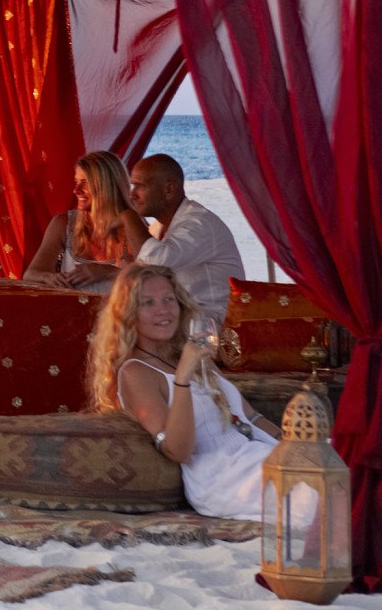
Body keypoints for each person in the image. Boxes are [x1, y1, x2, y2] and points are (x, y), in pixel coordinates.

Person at [88, 262, 280, 519]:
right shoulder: (136, 372)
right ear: (129, 313)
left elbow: (251, 417)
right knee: (326, 487)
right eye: (148, 303)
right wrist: (183, 377)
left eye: (169, 299)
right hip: (222, 476)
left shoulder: (192, 356)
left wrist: (294, 443)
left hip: (256, 453)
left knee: (337, 460)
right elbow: (178, 450)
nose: (163, 310)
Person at [129, 154, 243, 325]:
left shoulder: (200, 224)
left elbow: (156, 263)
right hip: (181, 323)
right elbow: (143, 274)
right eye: (133, 187)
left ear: (169, 189)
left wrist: (128, 216)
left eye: (140, 187)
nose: (132, 195)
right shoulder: (156, 228)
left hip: (214, 329)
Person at [22, 151, 149, 292]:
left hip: (118, 313)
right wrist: (49, 278)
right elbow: (30, 275)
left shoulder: (134, 226)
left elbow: (152, 279)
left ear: (107, 185)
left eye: (85, 183)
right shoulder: (63, 223)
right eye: (76, 182)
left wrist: (108, 272)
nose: (76, 190)